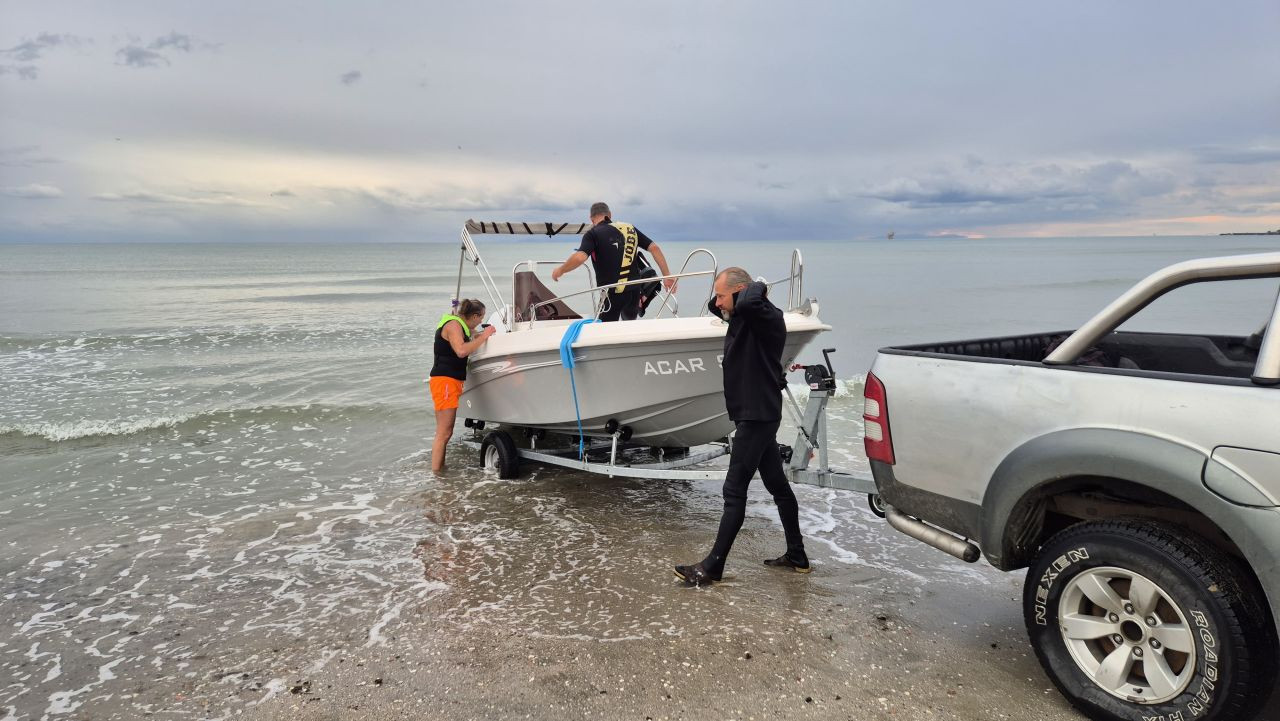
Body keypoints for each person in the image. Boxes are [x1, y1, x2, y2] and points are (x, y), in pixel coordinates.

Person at [674, 268, 808, 586]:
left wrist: (758, 284)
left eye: (723, 295)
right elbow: (718, 305)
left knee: (733, 491)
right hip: (757, 413)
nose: (717, 303)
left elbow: (747, 301)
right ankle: (797, 555)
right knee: (778, 486)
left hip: (756, 416)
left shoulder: (765, 317)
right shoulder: (743, 317)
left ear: (742, 291)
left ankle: (712, 568)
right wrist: (728, 297)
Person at [550, 202, 676, 321]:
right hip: (634, 291)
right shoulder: (630, 228)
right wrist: (667, 276)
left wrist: (560, 270)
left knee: (604, 330)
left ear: (591, 219)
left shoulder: (593, 234)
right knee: (628, 327)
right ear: (609, 215)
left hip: (612, 294)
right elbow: (654, 248)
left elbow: (580, 257)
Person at [429, 299, 496, 472]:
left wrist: (482, 334)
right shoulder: (453, 326)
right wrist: (485, 336)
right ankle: (437, 474)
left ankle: (440, 469)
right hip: (445, 381)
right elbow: (461, 351)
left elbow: (471, 335)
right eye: (481, 317)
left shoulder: (460, 325)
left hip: (449, 381)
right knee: (444, 432)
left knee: (446, 431)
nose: (481, 321)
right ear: (474, 315)